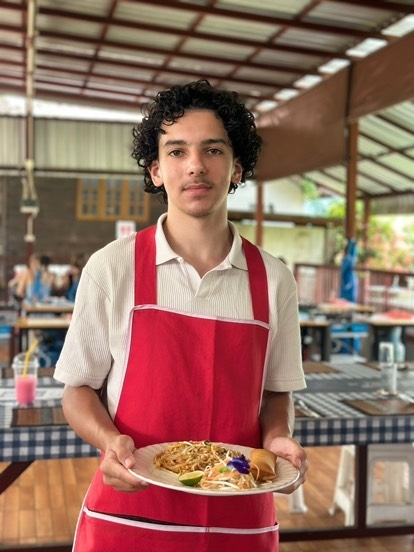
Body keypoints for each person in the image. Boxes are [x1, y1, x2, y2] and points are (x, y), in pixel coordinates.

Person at [54, 79, 308, 552]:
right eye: (176, 151)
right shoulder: (112, 268)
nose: (195, 166)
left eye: (213, 150)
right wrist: (110, 441)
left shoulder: (275, 280)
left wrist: (278, 439)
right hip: (130, 518)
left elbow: (276, 394)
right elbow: (78, 390)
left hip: (238, 523)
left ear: (237, 168)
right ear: (155, 170)